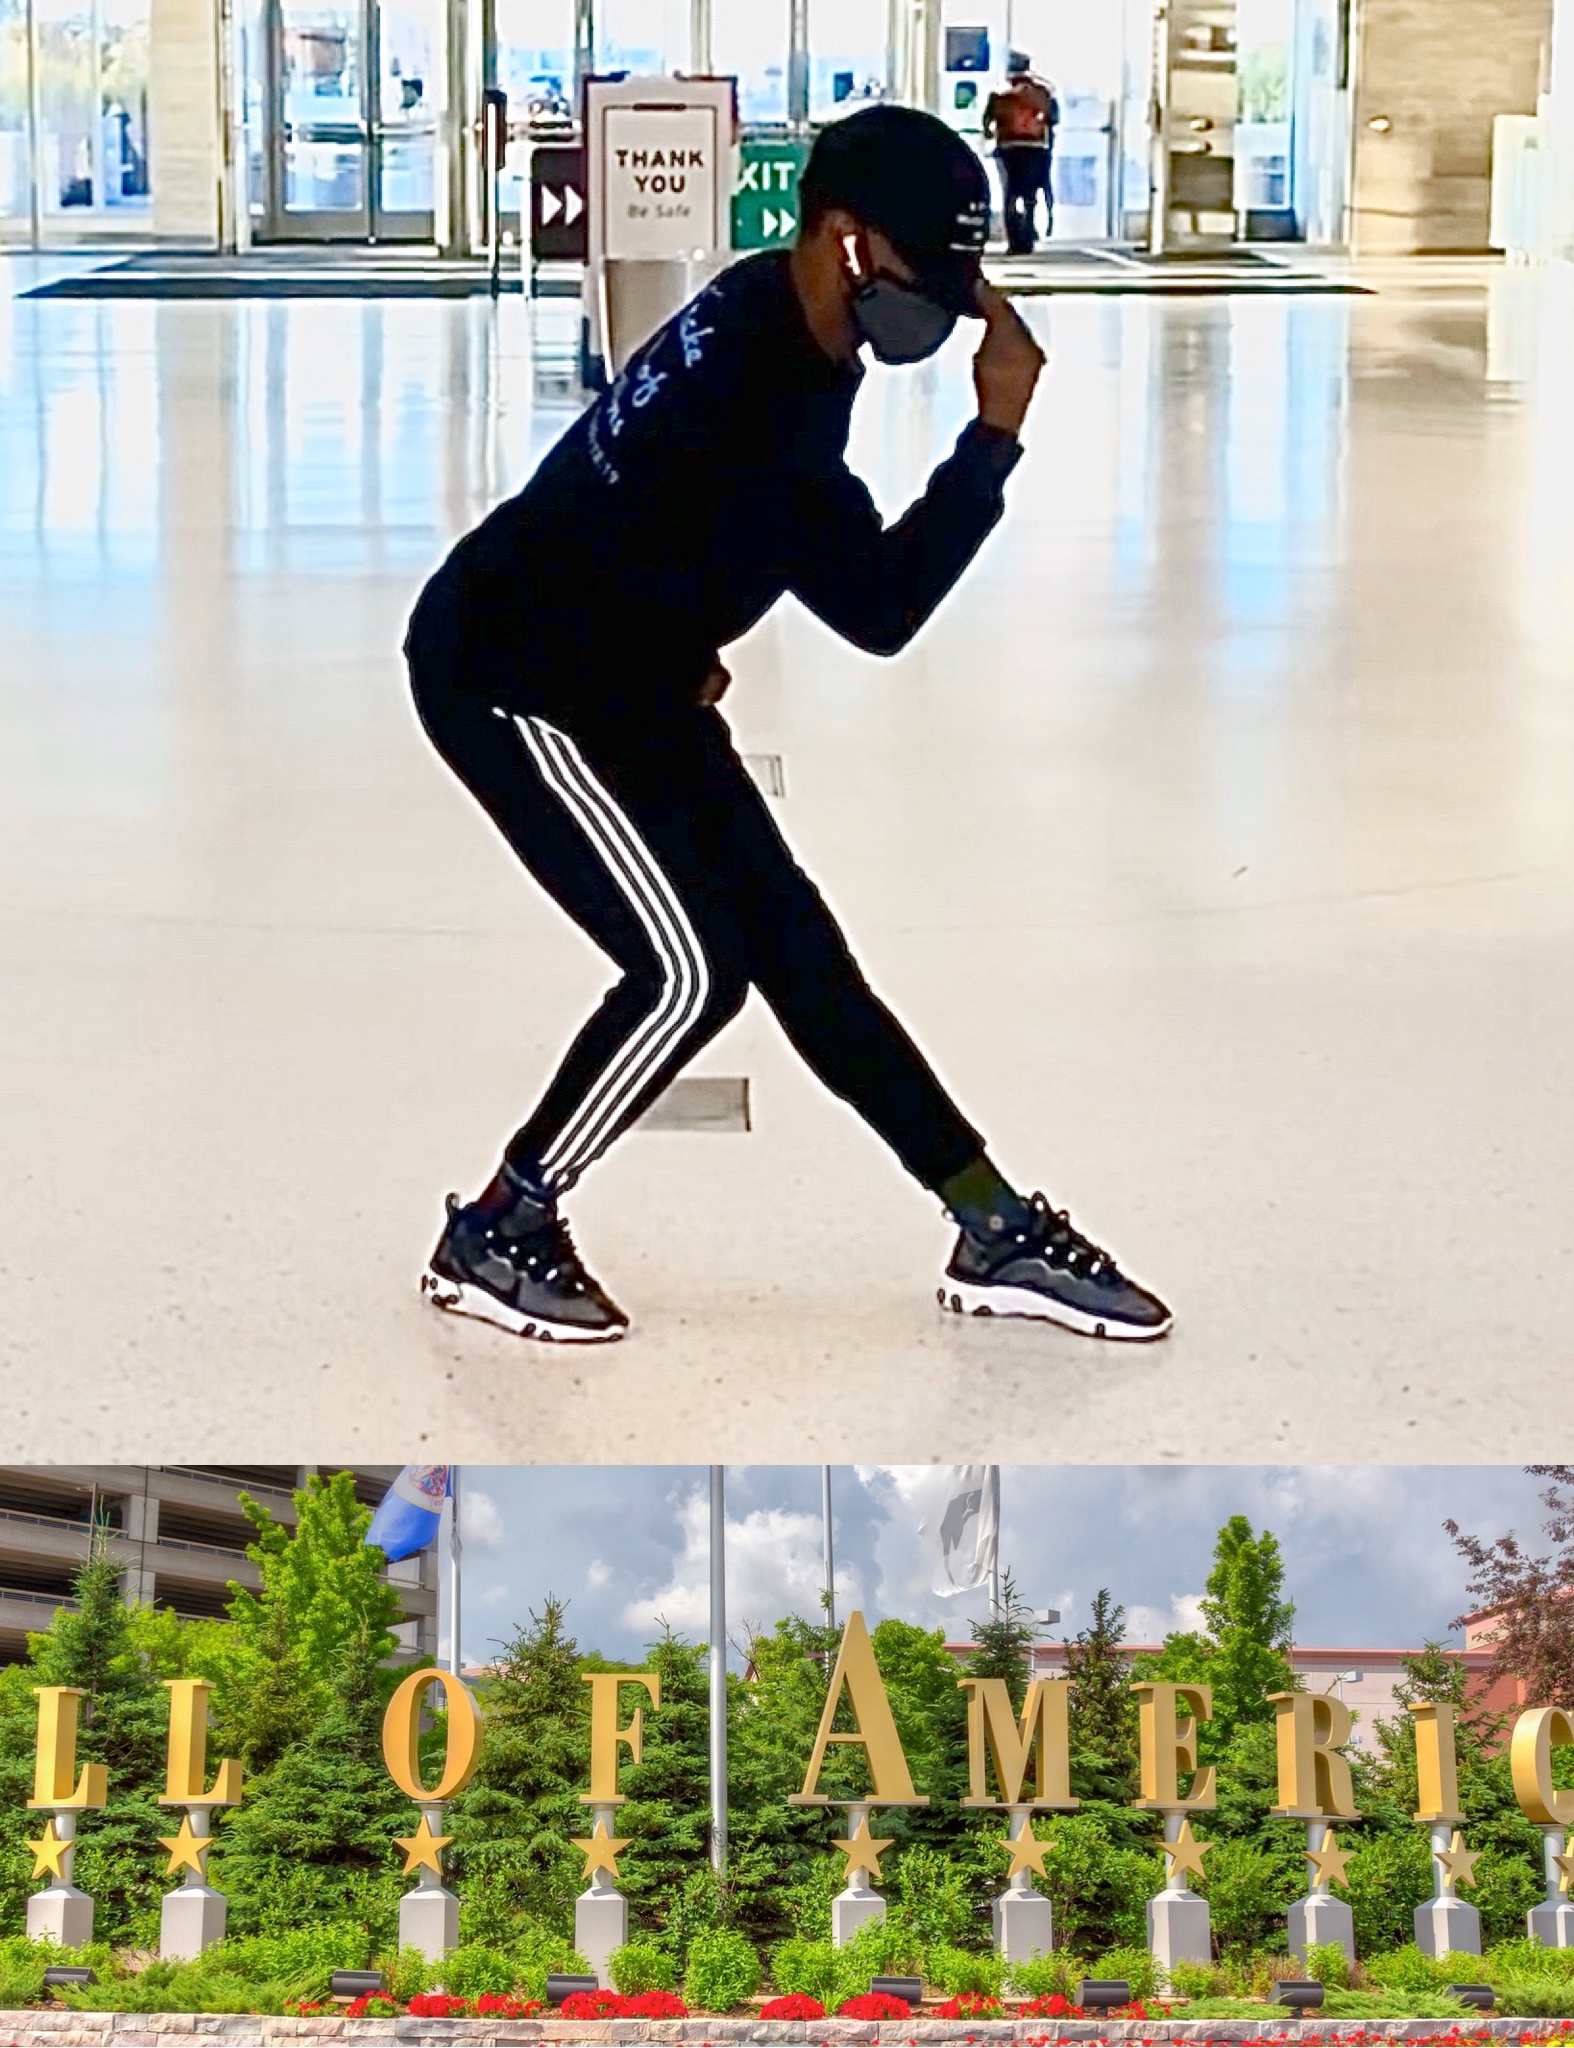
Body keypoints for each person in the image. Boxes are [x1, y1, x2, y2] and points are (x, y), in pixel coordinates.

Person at [404, 104, 1171, 1347]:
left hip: (622, 669)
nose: (937, 309)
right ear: (844, 237)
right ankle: (500, 1222)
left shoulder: (782, 314)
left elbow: (635, 503)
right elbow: (876, 606)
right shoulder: (767, 389)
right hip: (513, 676)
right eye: (926, 280)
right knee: (689, 970)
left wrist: (674, 632)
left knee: (800, 954)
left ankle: (990, 1222)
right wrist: (992, 435)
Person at [983, 54, 1057, 254]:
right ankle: (1029, 235)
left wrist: (992, 133)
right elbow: (1053, 120)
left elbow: (987, 124)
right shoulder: (1042, 92)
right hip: (1035, 147)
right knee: (1030, 195)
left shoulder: (999, 94)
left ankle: (1014, 239)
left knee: (1010, 193)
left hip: (1008, 146)